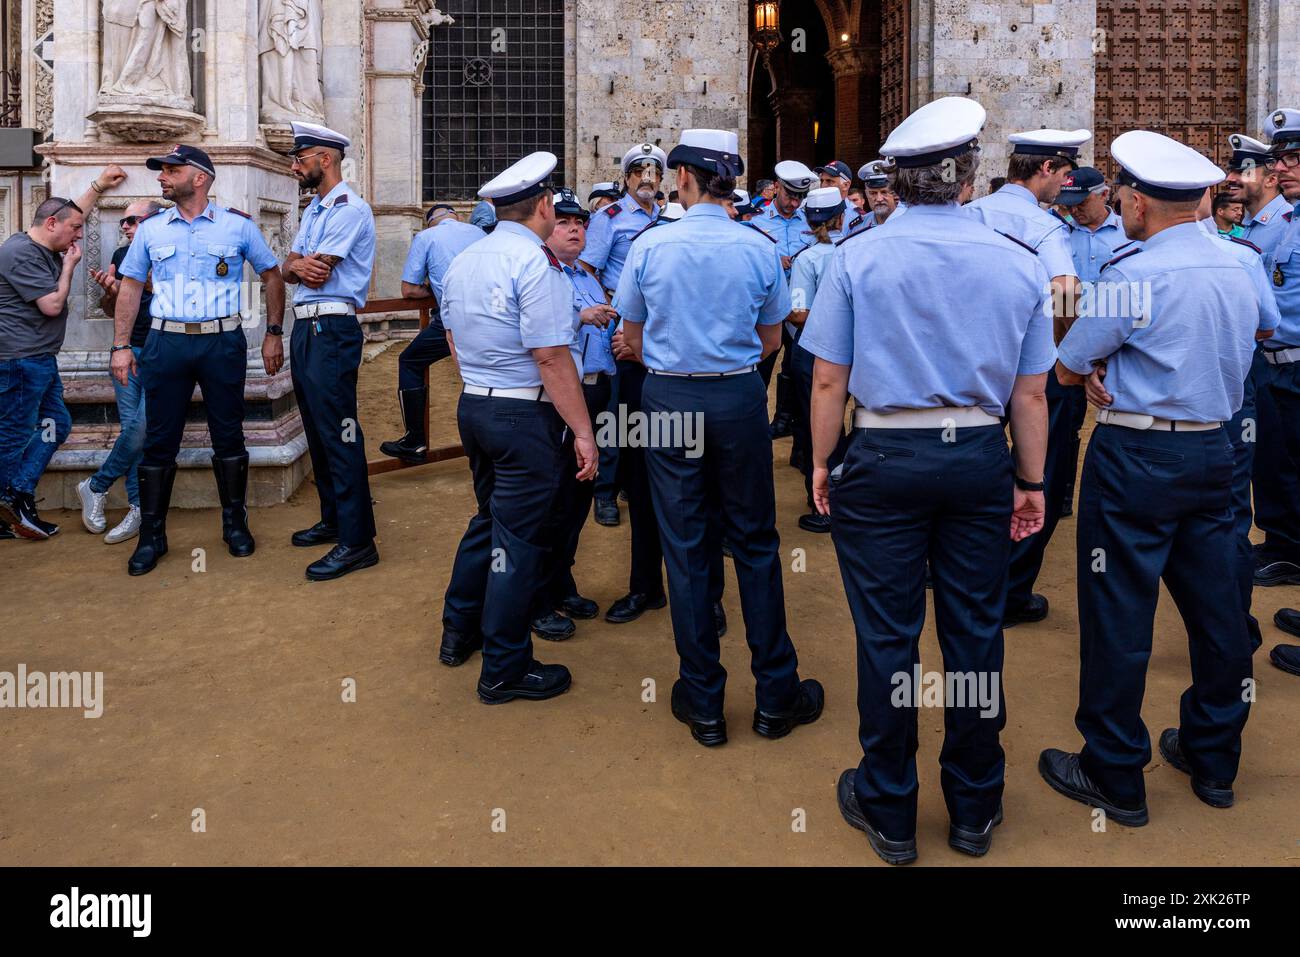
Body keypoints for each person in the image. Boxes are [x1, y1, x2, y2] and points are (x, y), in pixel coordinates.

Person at [803, 97, 1052, 864]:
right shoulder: (1017, 259)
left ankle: (891, 808)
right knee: (975, 633)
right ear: (969, 178)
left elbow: (826, 382)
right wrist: (1031, 480)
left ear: (898, 183)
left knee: (888, 638)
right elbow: (1031, 392)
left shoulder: (858, 256)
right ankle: (974, 805)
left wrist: (820, 462)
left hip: (884, 457)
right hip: (977, 455)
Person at [1040, 130, 1259, 825]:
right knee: (1220, 613)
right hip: (1214, 451)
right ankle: (1214, 757)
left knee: (1119, 615)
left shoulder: (1130, 274)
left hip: (1136, 456)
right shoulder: (1241, 264)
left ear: (1136, 203)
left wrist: (1108, 371)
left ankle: (1115, 773)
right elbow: (1264, 331)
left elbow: (1069, 365)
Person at [615, 128, 823, 749]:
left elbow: (631, 334)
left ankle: (704, 700)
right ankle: (775, 695)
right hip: (736, 397)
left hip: (670, 394)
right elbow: (770, 340)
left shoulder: (652, 246)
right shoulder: (757, 248)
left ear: (681, 178)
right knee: (756, 542)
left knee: (686, 547)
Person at [437, 151, 596, 705]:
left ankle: (459, 630)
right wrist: (582, 430)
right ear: (545, 205)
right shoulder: (536, 264)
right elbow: (551, 356)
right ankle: (504, 665)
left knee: (490, 521)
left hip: (475, 405)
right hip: (522, 413)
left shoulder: (465, 260)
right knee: (520, 541)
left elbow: (452, 341)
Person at [110, 145, 285, 575]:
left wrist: (274, 333)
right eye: (162, 171)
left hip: (221, 342)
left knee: (228, 434)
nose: (162, 177)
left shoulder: (236, 227)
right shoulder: (151, 230)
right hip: (165, 343)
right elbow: (130, 286)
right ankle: (153, 535)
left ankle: (235, 522)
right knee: (159, 438)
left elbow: (272, 274)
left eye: (172, 170)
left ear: (200, 177)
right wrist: (119, 346)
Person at [964, 127, 1086, 627]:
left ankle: (967, 574)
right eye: (1064, 173)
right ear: (1044, 170)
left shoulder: (973, 212)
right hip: (1033, 368)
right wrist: (1062, 342)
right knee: (1039, 472)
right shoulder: (1044, 226)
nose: (1066, 184)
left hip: (973, 366)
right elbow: (1066, 290)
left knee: (977, 468)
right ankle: (1012, 591)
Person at [273, 122, 380, 581]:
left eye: (302, 159)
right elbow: (289, 268)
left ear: (326, 159)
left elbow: (316, 272)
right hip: (307, 327)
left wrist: (298, 266)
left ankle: (358, 541)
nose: (296, 167)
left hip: (332, 326)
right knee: (318, 429)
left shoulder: (348, 209)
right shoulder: (316, 209)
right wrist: (295, 265)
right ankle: (335, 518)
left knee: (340, 430)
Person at [0, 165, 128, 539]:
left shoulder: (45, 239)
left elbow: (74, 211)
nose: (79, 234)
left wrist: (99, 185)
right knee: (12, 434)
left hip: (38, 359)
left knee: (56, 425)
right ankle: (10, 502)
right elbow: (52, 305)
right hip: (19, 361)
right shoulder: (19, 252)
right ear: (52, 223)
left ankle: (18, 495)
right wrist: (69, 267)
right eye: (74, 229)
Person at [530, 188, 616, 640]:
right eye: (564, 222)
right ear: (547, 226)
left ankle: (562, 582)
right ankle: (539, 598)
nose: (575, 229)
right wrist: (581, 317)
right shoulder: (542, 274)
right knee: (552, 501)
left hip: (598, 394)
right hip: (562, 401)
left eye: (580, 223)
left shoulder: (585, 275)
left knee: (577, 499)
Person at [1223, 133, 1300, 587]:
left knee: (1287, 462)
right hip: (1268, 361)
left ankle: (1289, 549)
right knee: (1272, 461)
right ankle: (1281, 544)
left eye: (1241, 171)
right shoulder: (1259, 226)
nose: (1232, 179)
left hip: (1290, 359)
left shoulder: (1281, 221)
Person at [79, 198, 165, 544]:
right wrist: (112, 291)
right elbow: (110, 309)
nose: (125, 226)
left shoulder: (169, 252)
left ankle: (96, 483)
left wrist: (147, 285)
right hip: (129, 350)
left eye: (132, 220)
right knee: (134, 427)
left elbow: (180, 298)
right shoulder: (120, 257)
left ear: (153, 223)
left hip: (164, 350)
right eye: (123, 222)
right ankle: (137, 507)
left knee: (143, 427)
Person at [378, 202, 485, 464]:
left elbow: (409, 290)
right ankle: (486, 444)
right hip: (491, 317)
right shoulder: (479, 234)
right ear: (456, 217)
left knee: (410, 361)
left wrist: (435, 291)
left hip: (455, 318)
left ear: (430, 221)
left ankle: (415, 439)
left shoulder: (426, 237)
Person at [1052, 166, 1128, 516]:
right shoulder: (1057, 234)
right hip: (1066, 341)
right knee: (1063, 424)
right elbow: (1056, 296)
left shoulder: (1130, 234)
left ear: (1104, 194)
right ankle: (1060, 490)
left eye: (1081, 202)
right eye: (1068, 204)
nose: (1075, 210)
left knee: (1122, 423)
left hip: (1119, 346)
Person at [1257, 108, 1300, 676]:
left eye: (1293, 159)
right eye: (1282, 158)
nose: (1283, 167)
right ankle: (1287, 548)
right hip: (1280, 367)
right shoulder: (1288, 219)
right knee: (1281, 465)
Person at [787, 187, 846, 534]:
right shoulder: (853, 250)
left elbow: (797, 313)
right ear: (840, 217)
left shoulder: (808, 259)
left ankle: (824, 504)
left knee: (817, 428)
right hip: (851, 349)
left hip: (814, 351)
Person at [757, 160, 817, 442]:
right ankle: (754, 422)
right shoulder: (757, 222)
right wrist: (771, 263)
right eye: (789, 195)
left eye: (799, 197)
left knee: (797, 369)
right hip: (767, 307)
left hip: (800, 309)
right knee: (761, 366)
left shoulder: (810, 223)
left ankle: (787, 422)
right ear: (777, 188)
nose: (794, 202)